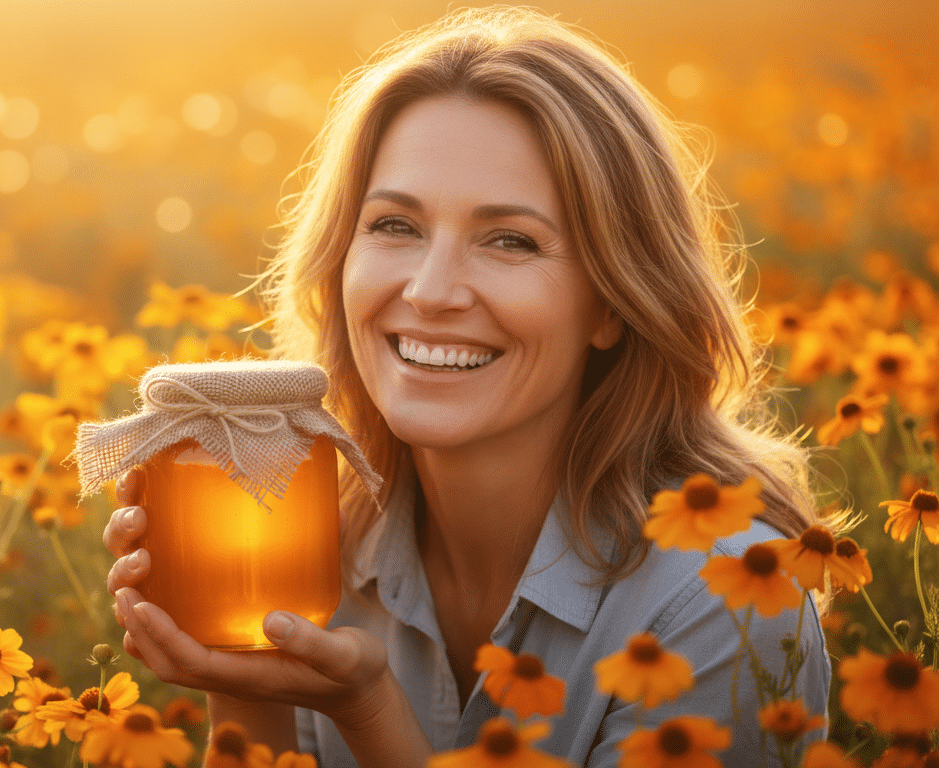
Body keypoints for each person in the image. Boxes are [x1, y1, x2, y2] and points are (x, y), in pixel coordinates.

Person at [104, 7, 830, 767]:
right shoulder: (310, 546)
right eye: (394, 226)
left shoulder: (724, 600)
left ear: (615, 302)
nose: (430, 290)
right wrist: (240, 671)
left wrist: (366, 707)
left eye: (509, 240)